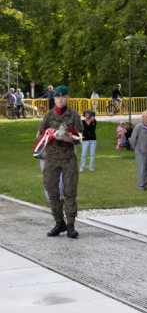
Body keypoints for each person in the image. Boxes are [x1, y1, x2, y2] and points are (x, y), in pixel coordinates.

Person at [37, 86, 83, 238]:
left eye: (64, 96)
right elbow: (40, 136)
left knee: (70, 192)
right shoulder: (48, 116)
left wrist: (72, 139)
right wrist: (50, 137)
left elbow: (80, 136)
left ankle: (70, 225)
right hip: (51, 159)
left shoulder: (74, 115)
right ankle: (59, 222)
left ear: (68, 97)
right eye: (58, 97)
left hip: (69, 158)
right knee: (52, 190)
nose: (61, 99)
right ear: (54, 98)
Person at [130, 111, 147, 191]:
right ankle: (140, 186)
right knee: (141, 169)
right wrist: (136, 149)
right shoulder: (138, 127)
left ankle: (145, 185)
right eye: (146, 117)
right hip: (140, 152)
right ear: (142, 118)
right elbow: (133, 139)